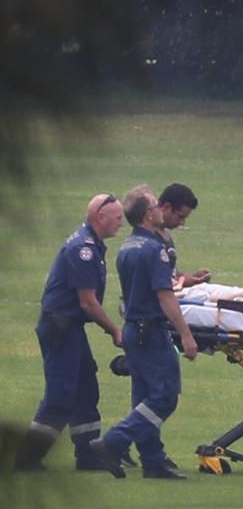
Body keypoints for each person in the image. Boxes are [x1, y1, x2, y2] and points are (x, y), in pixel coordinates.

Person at [90, 186, 198, 480]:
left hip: (133, 330)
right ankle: (113, 443)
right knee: (164, 397)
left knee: (144, 398)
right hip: (150, 331)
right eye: (154, 206)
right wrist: (186, 335)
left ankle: (152, 460)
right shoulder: (154, 250)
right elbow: (165, 296)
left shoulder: (128, 246)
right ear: (149, 214)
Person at [14, 193, 126, 472]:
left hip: (70, 327)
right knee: (60, 395)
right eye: (117, 218)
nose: (121, 223)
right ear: (100, 217)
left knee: (86, 388)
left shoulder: (94, 245)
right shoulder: (83, 249)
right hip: (60, 327)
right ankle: (26, 458)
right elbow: (87, 302)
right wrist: (114, 329)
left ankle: (88, 455)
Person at [155, 183, 209, 289]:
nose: (182, 223)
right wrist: (186, 281)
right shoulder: (150, 240)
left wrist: (193, 277)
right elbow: (160, 283)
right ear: (166, 207)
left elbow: (170, 273)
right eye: (180, 216)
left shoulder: (165, 234)